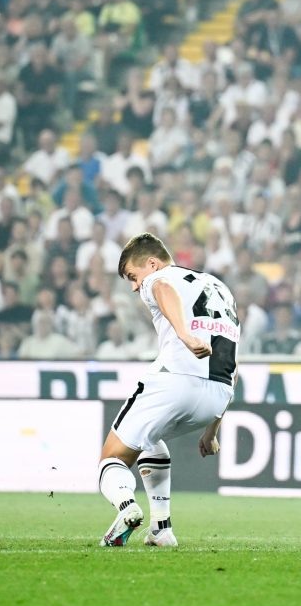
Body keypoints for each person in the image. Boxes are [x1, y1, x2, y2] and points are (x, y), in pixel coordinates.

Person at [98, 232, 238, 548]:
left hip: (175, 381)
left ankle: (127, 507)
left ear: (152, 263)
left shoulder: (159, 278)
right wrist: (212, 431)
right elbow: (234, 365)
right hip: (217, 395)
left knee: (111, 458)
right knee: (149, 439)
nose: (135, 286)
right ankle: (161, 528)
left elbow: (161, 287)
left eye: (133, 276)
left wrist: (185, 335)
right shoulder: (220, 289)